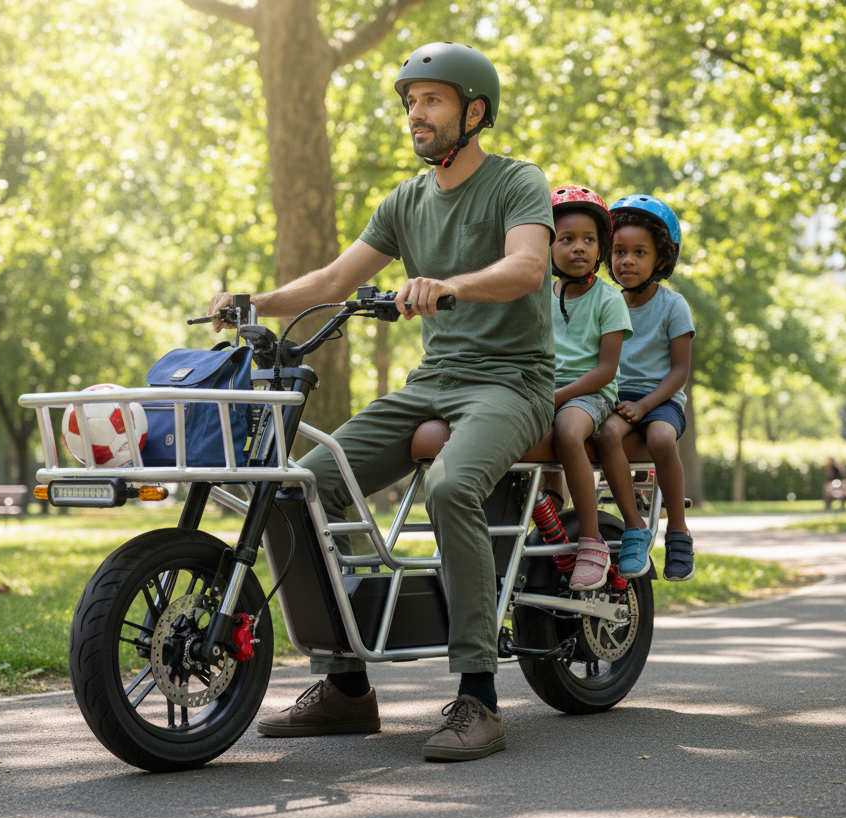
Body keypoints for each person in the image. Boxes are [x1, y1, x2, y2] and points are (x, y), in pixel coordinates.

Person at [206, 42, 555, 762]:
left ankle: (479, 696)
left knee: (453, 486)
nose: (415, 114)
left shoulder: (518, 182)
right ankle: (347, 685)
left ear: (474, 110)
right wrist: (255, 302)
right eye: (409, 102)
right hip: (434, 382)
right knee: (306, 485)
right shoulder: (406, 199)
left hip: (511, 381)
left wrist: (452, 284)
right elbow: (336, 275)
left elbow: (526, 267)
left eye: (430, 100)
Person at [593, 195, 696, 581]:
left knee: (661, 438)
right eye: (619, 251)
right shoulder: (606, 303)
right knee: (605, 436)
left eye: (639, 252)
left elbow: (679, 372)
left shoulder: (673, 306)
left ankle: (678, 530)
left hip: (662, 398)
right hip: (617, 398)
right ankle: (635, 527)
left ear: (661, 260)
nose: (627, 261)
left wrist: (647, 404)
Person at [544, 186, 633, 591]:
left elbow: (605, 370)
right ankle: (546, 515)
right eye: (566, 239)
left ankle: (591, 541)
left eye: (589, 240)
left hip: (590, 394)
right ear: (546, 245)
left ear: (601, 250)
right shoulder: (538, 295)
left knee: (566, 430)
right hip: (543, 389)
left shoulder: (608, 299)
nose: (578, 248)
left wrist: (557, 397)